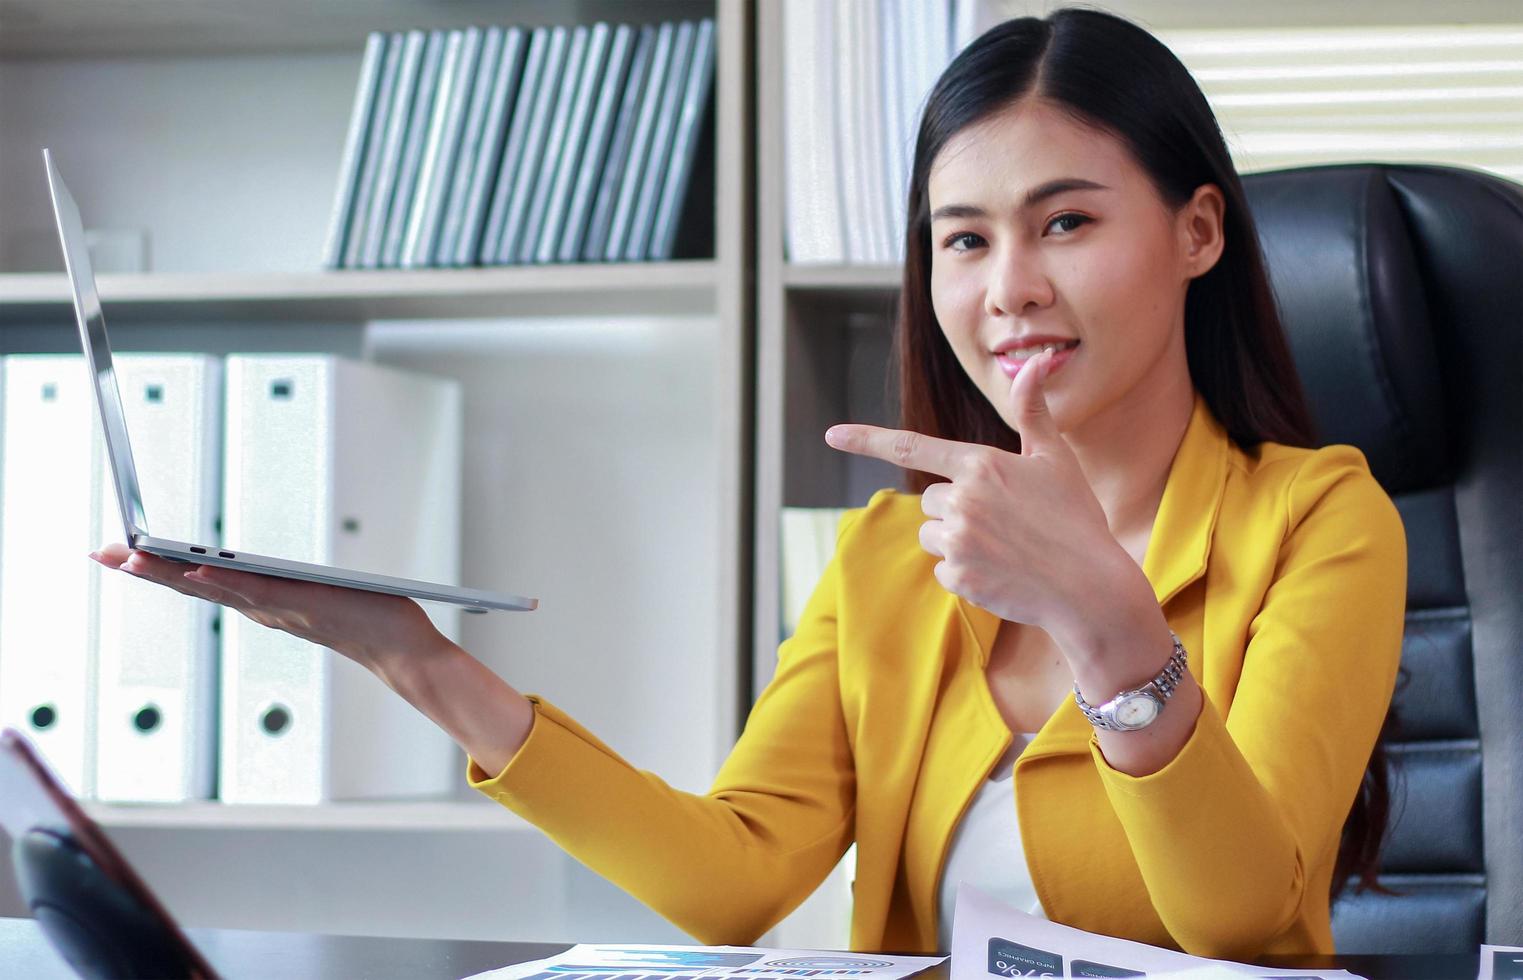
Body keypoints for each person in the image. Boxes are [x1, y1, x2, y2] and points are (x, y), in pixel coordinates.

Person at [91, 7, 1406, 960]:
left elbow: (1238, 924)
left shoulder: (1318, 520)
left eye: (1066, 222)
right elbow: (733, 882)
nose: (1007, 287)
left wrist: (1104, 618)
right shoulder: (896, 555)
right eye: (963, 238)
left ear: (1198, 229)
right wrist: (410, 658)